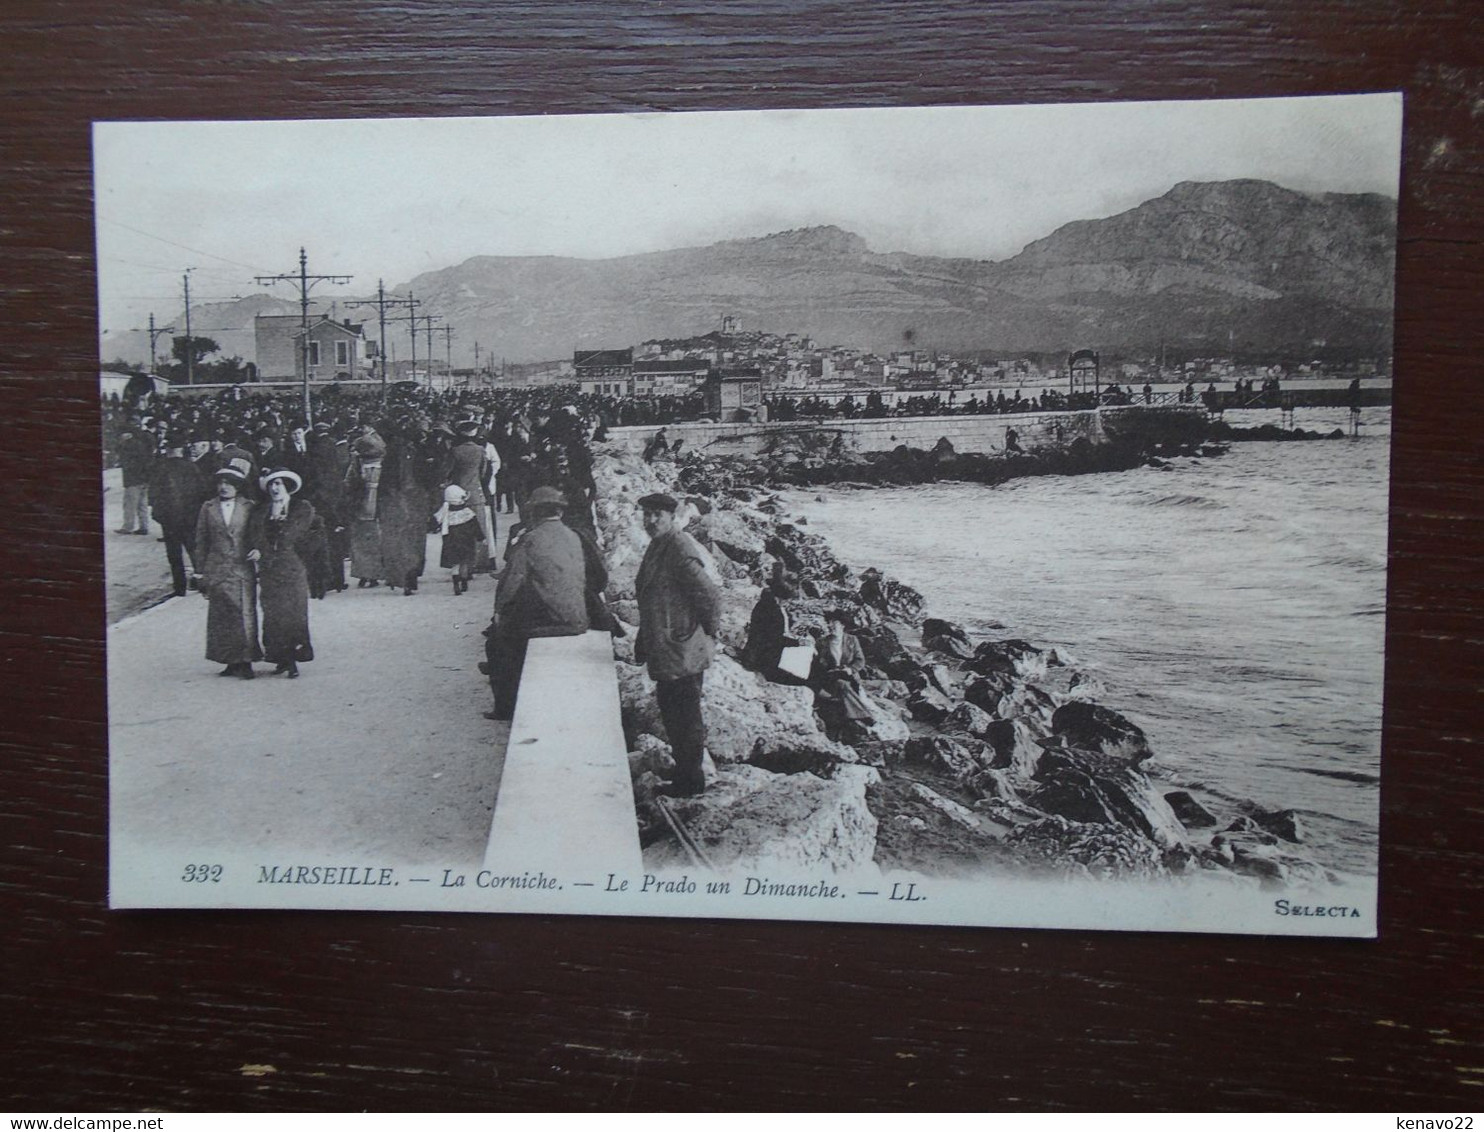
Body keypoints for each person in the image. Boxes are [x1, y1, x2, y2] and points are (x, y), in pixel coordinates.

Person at [634, 492, 722, 797]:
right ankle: (685, 768)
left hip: (681, 650)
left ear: (673, 517)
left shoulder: (678, 547)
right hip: (667, 648)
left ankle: (690, 781)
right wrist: (642, 641)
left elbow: (709, 595)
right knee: (672, 712)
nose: (651, 520)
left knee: (685, 716)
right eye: (647, 514)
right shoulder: (659, 545)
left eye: (658, 514)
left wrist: (708, 633)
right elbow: (651, 598)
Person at [483, 485, 590, 721]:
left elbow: (514, 579)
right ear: (560, 512)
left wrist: (499, 611)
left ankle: (505, 707)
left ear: (534, 512)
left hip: (554, 620)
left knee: (499, 641)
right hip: (578, 616)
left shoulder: (531, 539)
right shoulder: (573, 536)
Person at [192, 456, 262, 679]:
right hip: (217, 567)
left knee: (245, 614)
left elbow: (257, 535)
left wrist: (258, 552)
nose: (223, 487)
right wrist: (200, 571)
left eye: (229, 483)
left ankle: (247, 660)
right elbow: (201, 541)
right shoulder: (208, 507)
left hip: (242, 568)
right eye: (221, 483)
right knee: (221, 616)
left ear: (238, 486)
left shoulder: (249, 507)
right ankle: (230, 660)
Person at [247, 468, 316, 678]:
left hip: (293, 566)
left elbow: (296, 535)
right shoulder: (262, 511)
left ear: (287, 486)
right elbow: (255, 534)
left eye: (279, 484)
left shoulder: (301, 508)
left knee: (293, 612)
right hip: (269, 569)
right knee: (273, 612)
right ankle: (279, 656)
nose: (275, 488)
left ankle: (293, 659)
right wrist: (259, 550)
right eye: (271, 485)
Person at [148, 430, 209, 597]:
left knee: (174, 554)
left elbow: (153, 495)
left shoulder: (160, 467)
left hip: (169, 519)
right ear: (182, 449)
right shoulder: (192, 467)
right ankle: (203, 583)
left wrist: (159, 514)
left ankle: (179, 588)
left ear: (167, 448)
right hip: (190, 517)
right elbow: (202, 492)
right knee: (195, 550)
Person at [810, 610, 875, 742]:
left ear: (843, 625)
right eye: (829, 623)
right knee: (841, 684)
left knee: (844, 685)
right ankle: (864, 716)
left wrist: (851, 669)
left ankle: (854, 719)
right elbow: (815, 668)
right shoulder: (822, 642)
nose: (830, 626)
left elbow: (860, 660)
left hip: (849, 677)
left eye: (835, 623)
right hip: (829, 679)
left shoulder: (852, 640)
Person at [434, 484, 480, 594]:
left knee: (455, 564)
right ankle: (464, 582)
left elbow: (435, 521)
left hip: (451, 542)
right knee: (464, 562)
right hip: (466, 541)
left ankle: (456, 584)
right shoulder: (467, 513)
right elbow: (475, 526)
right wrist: (480, 537)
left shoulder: (445, 512)